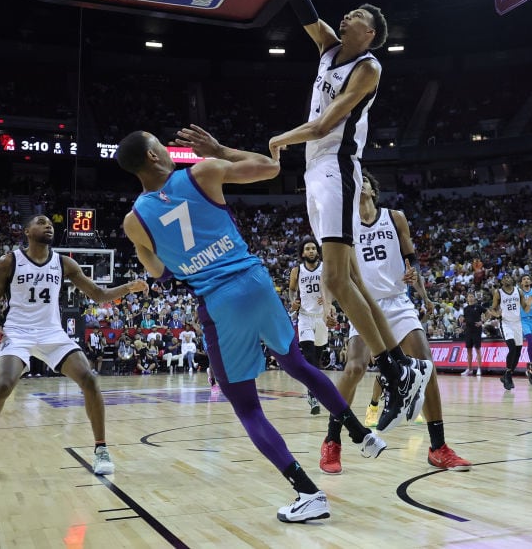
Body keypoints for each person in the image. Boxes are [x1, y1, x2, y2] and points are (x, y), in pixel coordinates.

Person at [117, 125, 386, 523]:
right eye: (162, 144)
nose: (169, 149)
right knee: (298, 364)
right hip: (255, 280)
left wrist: (161, 252)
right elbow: (267, 168)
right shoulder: (204, 171)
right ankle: (361, 432)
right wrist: (220, 149)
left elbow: (157, 270)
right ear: (154, 156)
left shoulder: (133, 221)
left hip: (220, 301)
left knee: (247, 408)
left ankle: (308, 493)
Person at [266, 0, 431, 433]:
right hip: (317, 175)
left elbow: (324, 126)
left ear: (372, 32)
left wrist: (278, 139)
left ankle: (393, 368)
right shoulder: (330, 48)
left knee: (337, 279)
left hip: (336, 167)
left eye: (358, 14)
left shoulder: (369, 67)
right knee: (350, 277)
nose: (346, 16)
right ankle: (399, 367)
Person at [0, 215, 149, 482]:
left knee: (89, 378)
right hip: (18, 332)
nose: (48, 226)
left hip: (52, 332)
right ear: (27, 231)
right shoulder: (9, 261)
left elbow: (99, 295)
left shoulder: (64, 263)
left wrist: (128, 287)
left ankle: (101, 449)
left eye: (50, 224)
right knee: (3, 385)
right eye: (41, 222)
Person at [320, 170, 471, 475]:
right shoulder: (344, 225)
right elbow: (330, 269)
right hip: (362, 304)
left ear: (373, 190)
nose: (358, 183)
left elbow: (411, 256)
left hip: (397, 300)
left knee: (426, 366)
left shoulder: (395, 217)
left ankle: (438, 447)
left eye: (363, 180)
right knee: (355, 368)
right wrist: (327, 303)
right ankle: (332, 440)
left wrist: (413, 271)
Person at [289, 237, 330, 415]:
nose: (311, 251)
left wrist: (329, 299)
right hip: (305, 317)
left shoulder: (325, 268)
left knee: (317, 360)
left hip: (321, 317)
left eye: (314, 248)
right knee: (309, 357)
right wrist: (293, 302)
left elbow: (335, 287)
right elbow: (291, 290)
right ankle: (313, 394)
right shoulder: (297, 270)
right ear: (303, 253)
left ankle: (314, 388)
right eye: (308, 248)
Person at [491, 275, 527, 391]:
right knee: (512, 348)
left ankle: (508, 375)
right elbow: (493, 308)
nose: (507, 279)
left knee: (518, 352)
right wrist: (496, 314)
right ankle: (507, 374)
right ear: (502, 281)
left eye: (508, 278)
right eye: (504, 278)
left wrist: (530, 304)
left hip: (517, 323)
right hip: (506, 323)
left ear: (512, 280)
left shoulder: (519, 291)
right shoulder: (498, 292)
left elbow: (525, 307)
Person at [460, 293, 486, 376]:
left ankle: (479, 368)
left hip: (477, 330)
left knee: (477, 349)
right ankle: (469, 369)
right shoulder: (465, 309)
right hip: (468, 330)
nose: (470, 298)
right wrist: (462, 320)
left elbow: (488, 313)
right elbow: (465, 320)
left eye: (472, 296)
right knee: (469, 350)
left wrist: (482, 322)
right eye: (469, 296)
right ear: (467, 298)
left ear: (474, 298)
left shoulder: (478, 307)